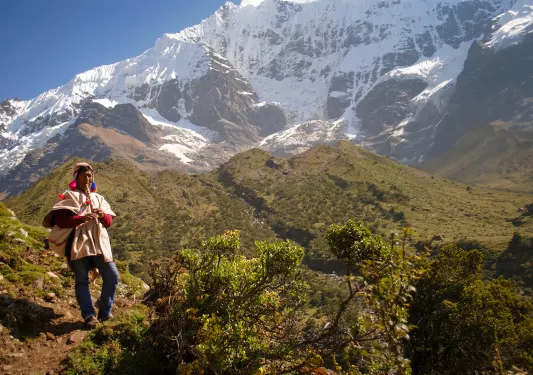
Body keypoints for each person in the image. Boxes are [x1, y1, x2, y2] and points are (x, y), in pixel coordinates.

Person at [43, 162, 118, 329]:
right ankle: (89, 315)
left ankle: (105, 313)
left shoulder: (99, 198)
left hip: (99, 243)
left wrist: (101, 215)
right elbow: (61, 220)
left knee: (112, 275)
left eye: (90, 175)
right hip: (78, 243)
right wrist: (82, 218)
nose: (88, 178)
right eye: (84, 175)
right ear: (76, 178)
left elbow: (109, 222)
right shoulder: (70, 196)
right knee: (81, 280)